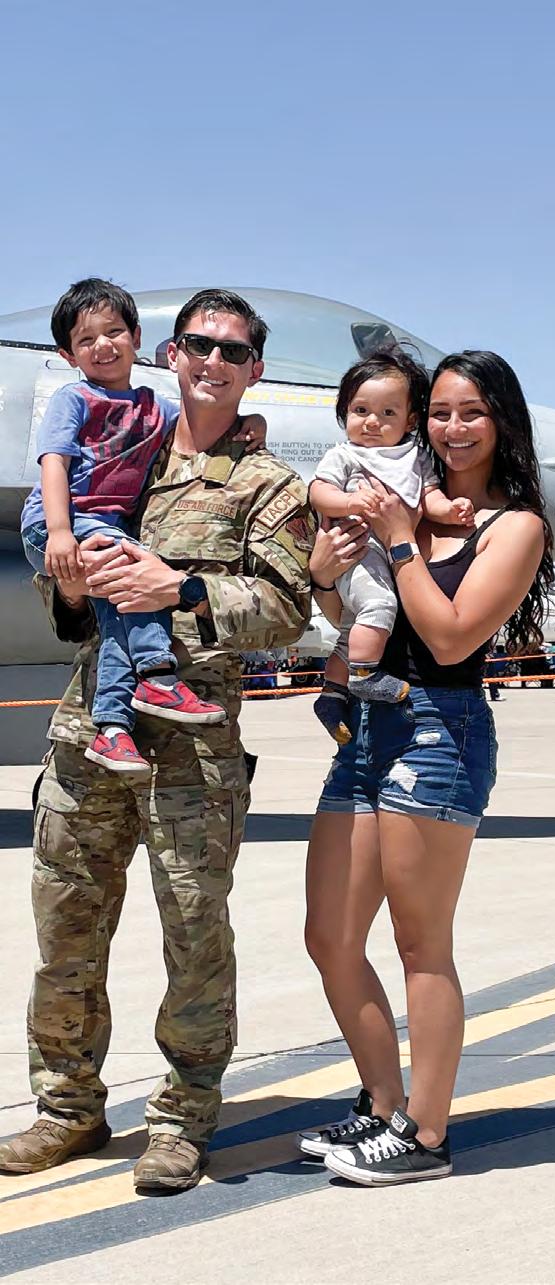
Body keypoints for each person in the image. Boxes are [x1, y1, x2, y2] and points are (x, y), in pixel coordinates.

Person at [0, 288, 316, 1193]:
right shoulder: (122, 452)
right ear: (169, 355)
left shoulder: (268, 485)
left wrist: (179, 588)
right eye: (198, 345)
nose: (213, 361)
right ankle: (67, 1107)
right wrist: (68, 579)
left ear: (254, 369)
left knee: (193, 935)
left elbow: (285, 611)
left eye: (233, 351)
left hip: (194, 746)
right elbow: (64, 603)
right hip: (87, 735)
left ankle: (182, 1119)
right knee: (65, 929)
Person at [298, 350, 553, 1186]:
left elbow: (447, 636)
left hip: (440, 730)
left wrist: (403, 537)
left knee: (420, 943)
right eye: (440, 411)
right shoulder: (398, 491)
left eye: (471, 411)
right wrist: (324, 578)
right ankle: (382, 1103)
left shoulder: (513, 526)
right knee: (330, 934)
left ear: (501, 419)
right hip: (365, 726)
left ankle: (427, 1133)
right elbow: (352, 609)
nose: (453, 426)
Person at [20, 278, 266, 774]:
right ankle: (156, 673)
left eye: (114, 332)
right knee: (139, 573)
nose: (103, 345)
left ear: (136, 337)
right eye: (86, 339)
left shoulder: (155, 409)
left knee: (121, 608)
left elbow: (199, 421)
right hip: (60, 521)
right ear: (67, 354)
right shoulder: (74, 398)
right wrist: (61, 532)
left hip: (101, 527)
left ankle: (112, 728)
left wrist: (252, 421)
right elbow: (53, 462)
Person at [309, 350, 474, 745]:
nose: (372, 421)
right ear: (344, 413)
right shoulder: (345, 454)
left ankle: (332, 694)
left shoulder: (415, 456)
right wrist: (349, 502)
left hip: (385, 554)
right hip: (359, 548)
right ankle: (365, 676)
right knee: (380, 606)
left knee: (354, 627)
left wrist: (450, 511)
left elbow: (428, 497)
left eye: (387, 413)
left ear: (410, 421)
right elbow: (318, 492)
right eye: (360, 410)